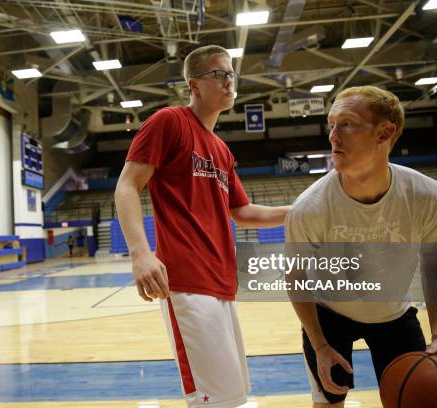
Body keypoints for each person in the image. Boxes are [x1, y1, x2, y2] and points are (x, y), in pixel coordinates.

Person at [285, 85, 437, 407]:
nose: (333, 136)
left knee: (420, 399)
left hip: (394, 314)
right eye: (331, 125)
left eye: (346, 123)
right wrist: (320, 347)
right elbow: (296, 278)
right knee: (327, 404)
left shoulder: (427, 195)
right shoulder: (309, 207)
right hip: (328, 316)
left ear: (384, 133)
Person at [115, 45, 290, 407]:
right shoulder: (170, 121)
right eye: (220, 74)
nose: (229, 82)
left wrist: (307, 208)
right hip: (186, 280)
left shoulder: (221, 150)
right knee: (214, 400)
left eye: (232, 75)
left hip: (222, 283)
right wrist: (141, 254)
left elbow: (245, 213)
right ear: (194, 84)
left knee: (234, 395)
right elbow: (127, 186)